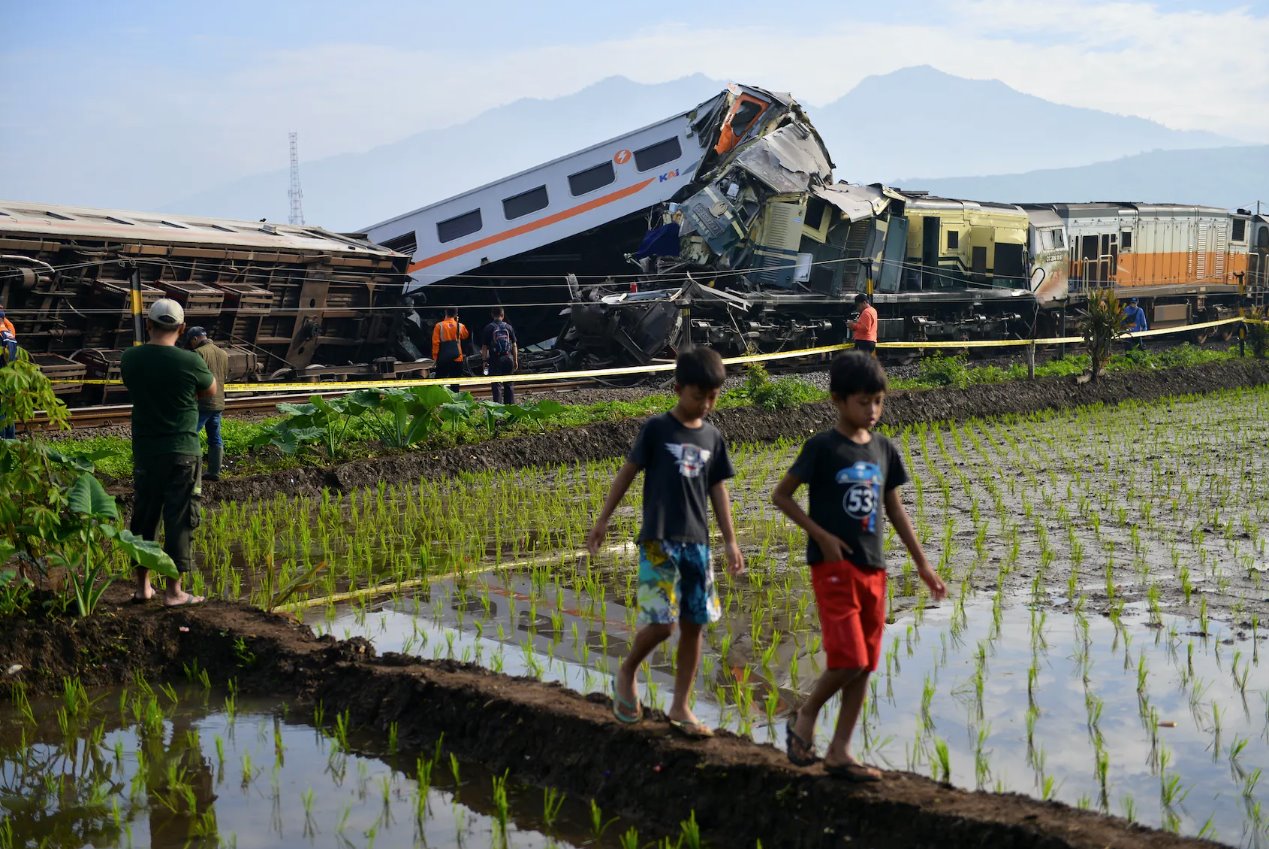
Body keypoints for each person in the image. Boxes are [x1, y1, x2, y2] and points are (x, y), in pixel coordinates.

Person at [771, 352, 945, 780]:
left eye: (878, 402)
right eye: (863, 402)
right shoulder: (823, 448)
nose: (872, 411)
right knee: (848, 656)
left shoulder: (885, 449)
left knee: (866, 662)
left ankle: (840, 751)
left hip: (874, 567)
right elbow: (782, 496)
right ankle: (805, 714)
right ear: (837, 400)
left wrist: (922, 563)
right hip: (833, 568)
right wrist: (822, 535)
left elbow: (895, 509)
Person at [586, 347, 744, 737]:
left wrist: (730, 541)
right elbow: (627, 473)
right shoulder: (657, 430)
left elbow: (718, 490)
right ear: (677, 389)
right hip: (659, 540)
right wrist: (603, 519)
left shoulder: (713, 436)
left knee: (695, 626)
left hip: (698, 544)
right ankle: (627, 671)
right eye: (698, 395)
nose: (706, 404)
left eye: (713, 396)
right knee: (661, 624)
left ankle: (680, 706)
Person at [120, 299, 216, 606]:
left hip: (147, 452)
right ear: (182, 328)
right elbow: (210, 391)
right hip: (183, 452)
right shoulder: (190, 362)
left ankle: (142, 588)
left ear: (148, 325)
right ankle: (174, 592)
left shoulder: (131, 358)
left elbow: (133, 385)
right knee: (180, 519)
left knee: (145, 518)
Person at [185, 327, 229, 481]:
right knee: (215, 437)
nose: (191, 345)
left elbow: (193, 379)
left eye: (191, 342)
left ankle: (190, 473)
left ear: (195, 339)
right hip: (218, 403)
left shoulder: (199, 353)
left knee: (190, 436)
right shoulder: (223, 353)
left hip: (202, 403)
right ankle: (214, 472)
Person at [479, 307, 519, 404]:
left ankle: (498, 412)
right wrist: (515, 360)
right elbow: (514, 345)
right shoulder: (508, 327)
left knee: (496, 385)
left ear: (492, 315)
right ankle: (510, 410)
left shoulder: (489, 328)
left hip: (495, 359)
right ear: (503, 315)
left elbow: (484, 347)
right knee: (509, 384)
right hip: (508, 357)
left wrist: (484, 361)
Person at [431, 307, 470, 392]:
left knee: (439, 382)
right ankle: (454, 402)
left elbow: (435, 343)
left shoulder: (439, 326)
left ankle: (439, 401)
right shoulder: (460, 326)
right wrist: (457, 322)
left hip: (443, 358)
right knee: (455, 383)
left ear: (445, 312)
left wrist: (435, 358)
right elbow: (465, 335)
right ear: (456, 314)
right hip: (457, 358)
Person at [0, 303, 17, 439]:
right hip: (10, 377)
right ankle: (10, 440)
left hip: (1, 377)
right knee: (7, 410)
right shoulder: (9, 332)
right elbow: (7, 322)